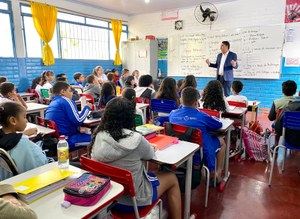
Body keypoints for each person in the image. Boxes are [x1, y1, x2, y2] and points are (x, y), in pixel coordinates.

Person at [88, 97, 181, 219]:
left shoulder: (98, 135)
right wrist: (151, 147)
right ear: (130, 117)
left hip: (106, 198)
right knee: (172, 178)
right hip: (134, 202)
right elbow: (150, 155)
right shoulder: (136, 139)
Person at [169, 87, 226, 183]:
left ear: (181, 100)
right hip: (199, 152)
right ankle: (217, 173)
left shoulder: (172, 114)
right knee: (222, 142)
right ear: (196, 102)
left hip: (179, 149)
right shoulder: (202, 116)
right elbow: (218, 125)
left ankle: (206, 172)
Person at [0, 102, 47, 180]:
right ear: (13, 120)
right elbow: (37, 166)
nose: (26, 121)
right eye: (24, 117)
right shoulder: (21, 142)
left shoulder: (4, 138)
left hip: (8, 181)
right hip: (28, 180)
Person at [45, 81, 92, 150]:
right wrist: (87, 108)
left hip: (57, 140)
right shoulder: (66, 100)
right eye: (70, 91)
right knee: (97, 139)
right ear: (63, 92)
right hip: (68, 140)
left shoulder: (53, 102)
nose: (72, 93)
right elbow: (78, 120)